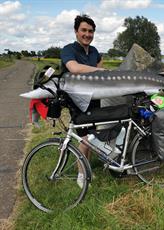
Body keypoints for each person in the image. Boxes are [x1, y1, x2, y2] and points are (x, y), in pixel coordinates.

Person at [60, 14, 105, 188]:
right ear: (76, 31)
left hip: (94, 98)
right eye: (84, 30)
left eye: (91, 31)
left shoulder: (94, 52)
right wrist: (98, 70)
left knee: (92, 136)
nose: (87, 34)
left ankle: (86, 169)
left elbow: (100, 70)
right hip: (77, 99)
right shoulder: (68, 49)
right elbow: (74, 68)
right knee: (85, 137)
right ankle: (81, 174)